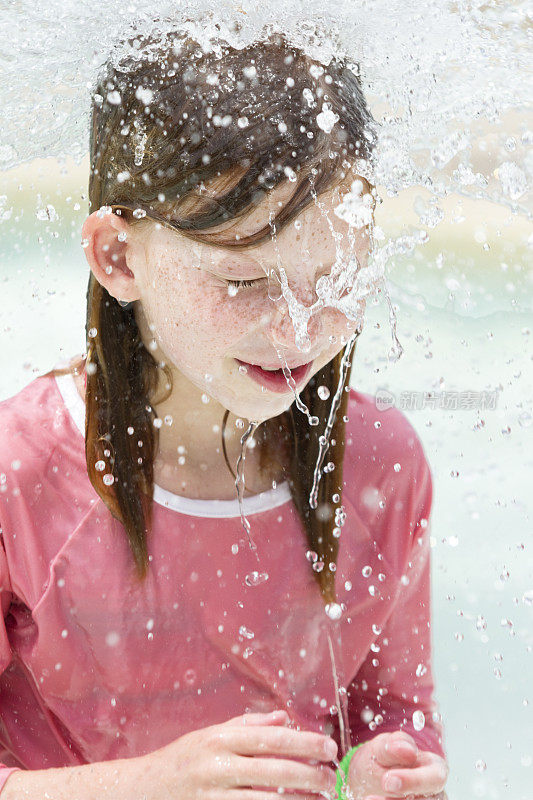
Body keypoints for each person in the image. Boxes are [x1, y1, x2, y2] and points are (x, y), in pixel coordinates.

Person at [0, 30, 449, 800]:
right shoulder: (22, 473)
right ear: (117, 257)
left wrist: (383, 767)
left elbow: (392, 715)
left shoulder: (379, 462)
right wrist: (146, 785)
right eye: (243, 281)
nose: (299, 328)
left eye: (332, 276)